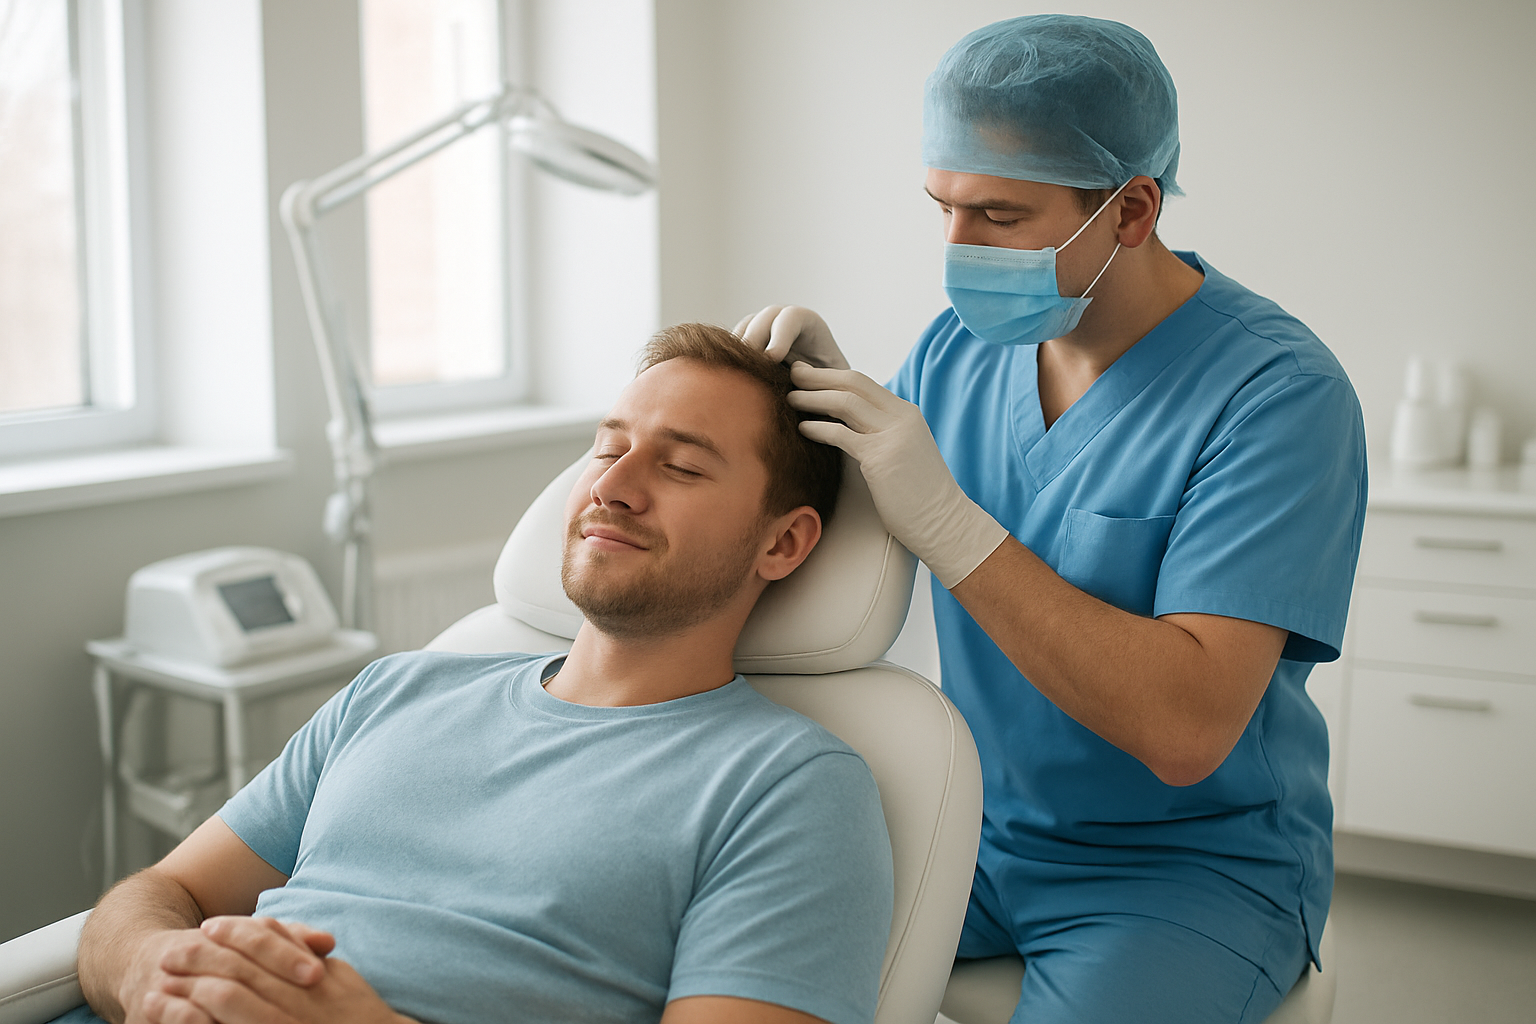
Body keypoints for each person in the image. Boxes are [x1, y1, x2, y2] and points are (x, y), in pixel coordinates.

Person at [737, 14, 1366, 1024]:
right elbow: (869, 530)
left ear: (1129, 209)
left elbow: (1185, 726)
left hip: (1185, 870)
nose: (956, 249)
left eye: (998, 215)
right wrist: (823, 405)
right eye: (941, 207)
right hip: (975, 827)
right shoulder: (955, 352)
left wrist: (953, 523)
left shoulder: (1278, 395)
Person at [68, 323, 893, 1024]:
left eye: (679, 467)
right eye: (608, 448)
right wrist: (150, 969)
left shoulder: (791, 788)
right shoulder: (397, 690)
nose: (611, 486)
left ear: (782, 542)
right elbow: (164, 889)